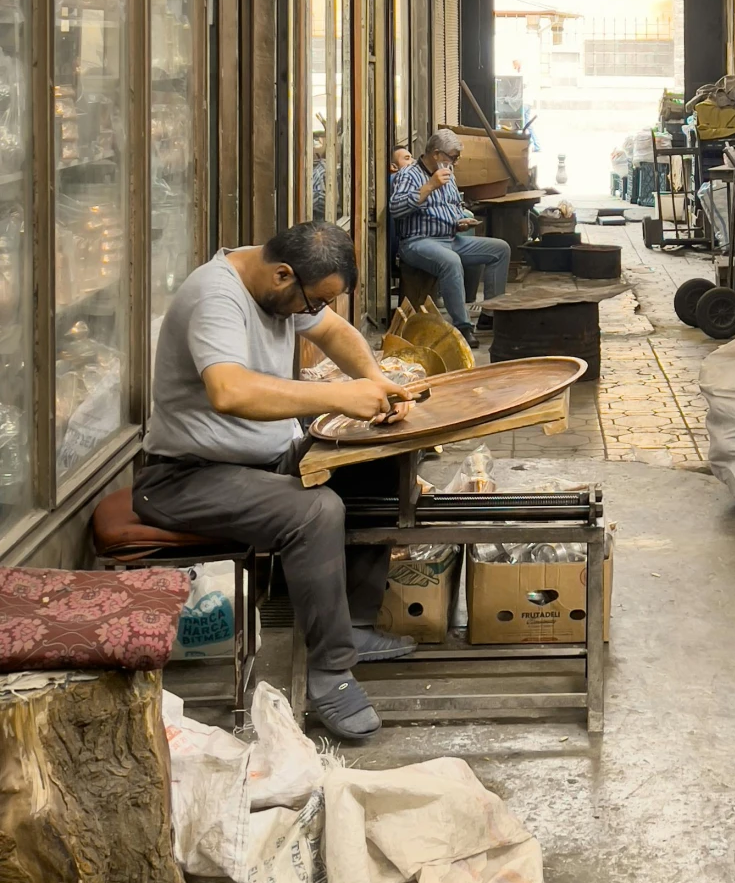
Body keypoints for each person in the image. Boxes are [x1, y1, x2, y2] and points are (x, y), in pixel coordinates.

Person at [132, 222, 419, 744]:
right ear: (283, 274)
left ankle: (351, 625)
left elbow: (335, 332)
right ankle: (330, 674)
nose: (311, 313)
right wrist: (338, 397)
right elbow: (229, 391)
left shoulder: (283, 286)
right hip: (184, 477)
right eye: (311, 301)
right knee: (315, 511)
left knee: (375, 463)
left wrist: (376, 382)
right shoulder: (215, 296)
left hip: (263, 459)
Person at [389, 130, 510, 341]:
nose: (455, 162)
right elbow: (396, 209)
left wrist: (459, 222)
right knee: (451, 262)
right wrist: (430, 186)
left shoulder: (448, 173)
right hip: (418, 242)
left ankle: (489, 315)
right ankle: (462, 327)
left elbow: (454, 205)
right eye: (452, 157)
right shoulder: (408, 175)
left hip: (451, 238)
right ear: (436, 154)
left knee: (500, 249)